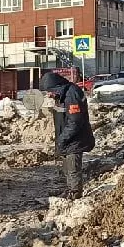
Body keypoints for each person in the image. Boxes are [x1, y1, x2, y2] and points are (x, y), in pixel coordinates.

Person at [39, 67, 93, 199]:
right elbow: (61, 116)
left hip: (74, 138)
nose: (49, 95)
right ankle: (69, 189)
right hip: (66, 137)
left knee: (73, 167)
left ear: (57, 87)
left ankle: (75, 193)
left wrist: (63, 138)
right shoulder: (61, 95)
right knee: (67, 168)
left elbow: (75, 121)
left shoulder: (72, 94)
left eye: (50, 91)